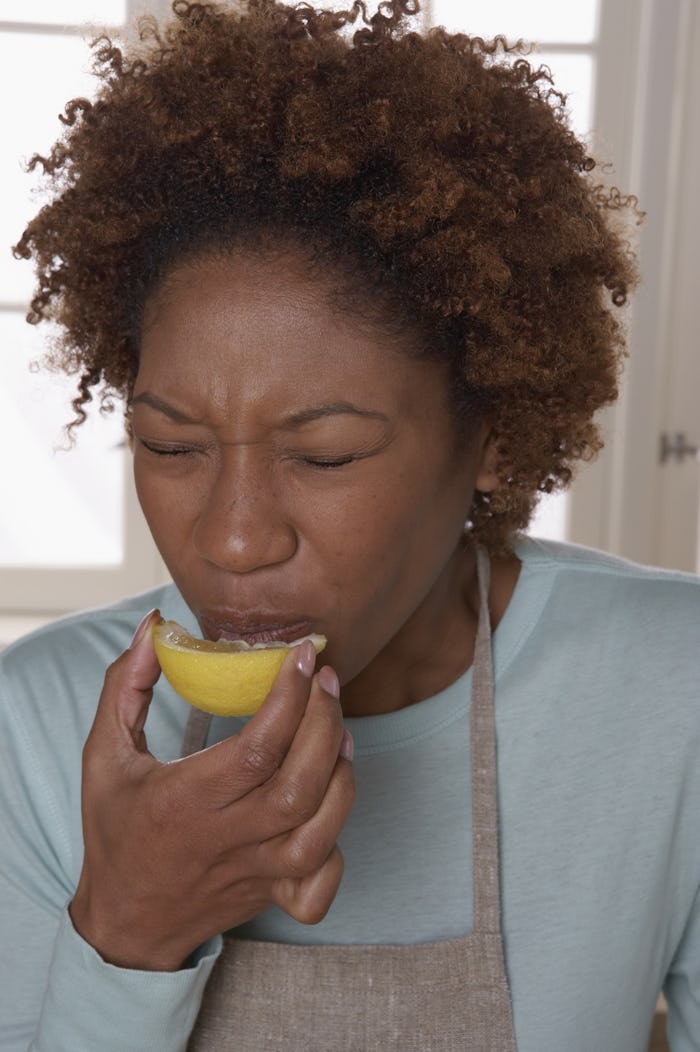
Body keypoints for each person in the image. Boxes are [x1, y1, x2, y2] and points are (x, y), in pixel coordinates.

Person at [1, 1, 698, 1049]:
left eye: (324, 455)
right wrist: (128, 928)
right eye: (172, 446)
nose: (233, 540)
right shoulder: (40, 722)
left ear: (491, 437)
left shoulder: (670, 688)